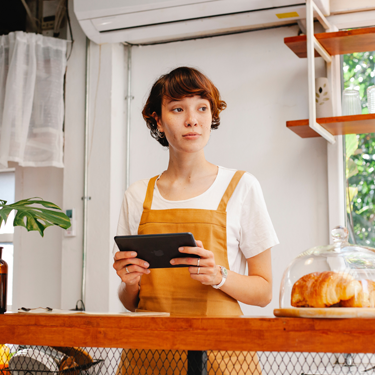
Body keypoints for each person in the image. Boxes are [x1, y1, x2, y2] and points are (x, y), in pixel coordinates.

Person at [113, 66, 279, 375]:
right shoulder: (137, 195)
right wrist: (130, 282)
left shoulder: (242, 187)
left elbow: (263, 292)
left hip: (223, 356)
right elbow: (132, 302)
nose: (192, 119)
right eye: (178, 109)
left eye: (202, 108)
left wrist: (218, 275)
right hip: (149, 357)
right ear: (157, 120)